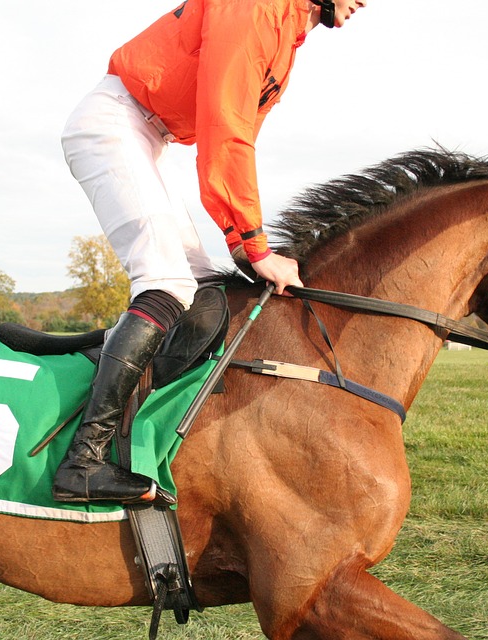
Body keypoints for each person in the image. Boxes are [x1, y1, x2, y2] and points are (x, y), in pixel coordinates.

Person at [54, 0, 367, 505]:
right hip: (114, 124)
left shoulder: (287, 35)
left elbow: (237, 136)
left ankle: (152, 429)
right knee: (168, 284)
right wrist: (256, 245)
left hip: (146, 136)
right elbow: (227, 132)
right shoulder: (259, 9)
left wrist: (244, 246)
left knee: (204, 286)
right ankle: (83, 462)